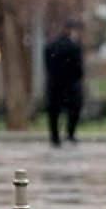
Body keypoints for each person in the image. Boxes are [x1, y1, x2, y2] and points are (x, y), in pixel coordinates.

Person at [44, 19, 85, 147]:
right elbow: (78, 67)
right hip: (71, 84)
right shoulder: (74, 46)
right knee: (74, 109)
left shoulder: (51, 46)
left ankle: (55, 137)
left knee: (54, 111)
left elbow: (47, 64)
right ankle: (70, 133)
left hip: (55, 84)